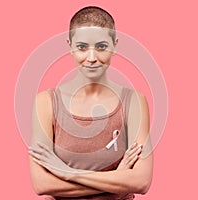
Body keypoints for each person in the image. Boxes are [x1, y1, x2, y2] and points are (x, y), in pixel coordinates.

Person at [28, 6, 153, 200]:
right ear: (70, 46)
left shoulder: (134, 102)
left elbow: (141, 181)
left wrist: (67, 172)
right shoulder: (45, 102)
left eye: (101, 47)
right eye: (82, 47)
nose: (92, 58)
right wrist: (117, 181)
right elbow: (41, 184)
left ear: (115, 45)